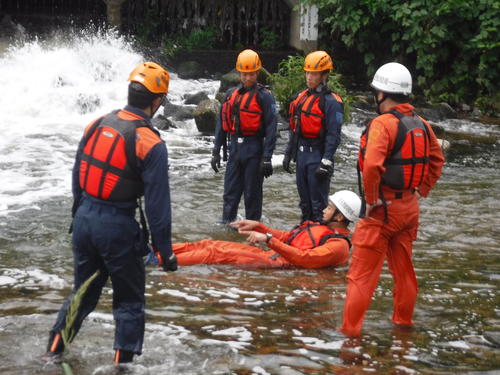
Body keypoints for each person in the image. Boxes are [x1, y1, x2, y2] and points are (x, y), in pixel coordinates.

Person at [42, 62, 178, 365]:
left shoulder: (97, 123)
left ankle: (51, 355)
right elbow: (157, 207)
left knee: (83, 293)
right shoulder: (150, 142)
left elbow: (78, 175)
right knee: (129, 302)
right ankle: (122, 369)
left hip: (84, 221)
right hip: (117, 226)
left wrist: (77, 218)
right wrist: (165, 252)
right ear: (156, 101)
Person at [340, 62, 445, 337]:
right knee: (404, 272)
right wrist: (423, 189)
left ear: (382, 94)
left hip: (381, 211)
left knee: (361, 277)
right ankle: (403, 324)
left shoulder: (382, 124)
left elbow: (372, 166)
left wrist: (372, 199)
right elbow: (437, 159)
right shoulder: (421, 124)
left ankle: (350, 337)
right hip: (409, 208)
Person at [160, 190, 361, 268]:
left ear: (340, 216)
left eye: (329, 207)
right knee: (208, 243)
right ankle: (157, 251)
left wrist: (267, 239)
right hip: (270, 255)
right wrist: (259, 226)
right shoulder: (327, 230)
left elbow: (304, 259)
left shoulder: (338, 246)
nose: (324, 209)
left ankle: (159, 262)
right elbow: (289, 237)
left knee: (214, 253)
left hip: (274, 264)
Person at [211, 49, 277, 223]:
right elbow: (221, 124)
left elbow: (271, 128)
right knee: (230, 193)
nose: (248, 78)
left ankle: (254, 231)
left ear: (257, 72)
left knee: (252, 195)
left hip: (254, 148)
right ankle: (226, 228)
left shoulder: (265, 97)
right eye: (245, 74)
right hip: (234, 149)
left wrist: (267, 157)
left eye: (252, 74)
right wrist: (216, 151)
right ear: (239, 72)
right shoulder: (230, 94)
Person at [283, 51, 344, 223]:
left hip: (317, 156)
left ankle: (320, 244)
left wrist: (326, 161)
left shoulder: (332, 102)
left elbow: (334, 135)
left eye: (314, 74)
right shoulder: (302, 98)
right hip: (302, 155)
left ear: (324, 75)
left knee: (319, 206)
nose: (309, 77)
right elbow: (295, 129)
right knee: (305, 204)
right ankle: (304, 241)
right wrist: (289, 153)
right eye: (307, 72)